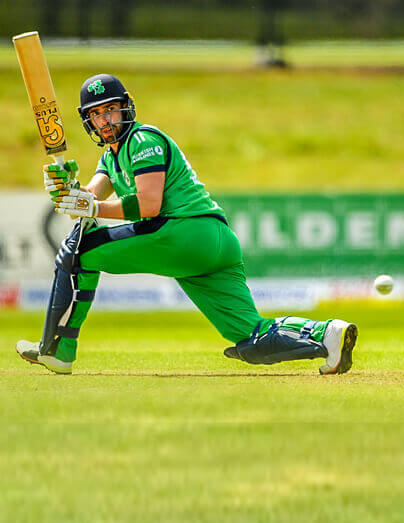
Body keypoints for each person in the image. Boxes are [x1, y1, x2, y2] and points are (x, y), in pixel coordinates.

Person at [17, 74, 356, 376]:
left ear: (126, 108)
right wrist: (69, 191)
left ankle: (59, 349)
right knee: (251, 337)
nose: (103, 119)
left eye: (109, 110)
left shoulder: (142, 140)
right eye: (95, 113)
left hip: (184, 232)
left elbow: (149, 205)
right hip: (215, 243)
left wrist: (90, 205)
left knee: (79, 250)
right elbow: (89, 202)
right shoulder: (111, 155)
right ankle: (328, 334)